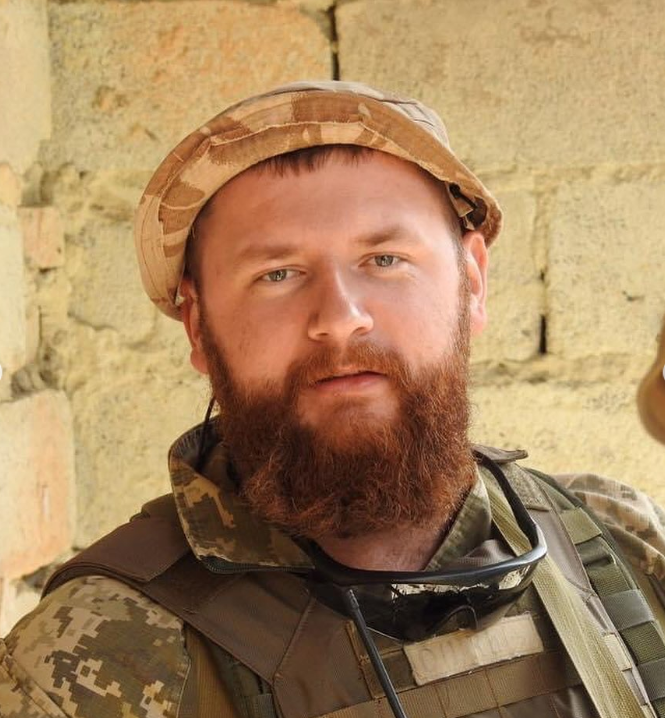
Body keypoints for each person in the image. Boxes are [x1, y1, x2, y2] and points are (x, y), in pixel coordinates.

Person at [2, 80, 665, 718]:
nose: (341, 317)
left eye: (384, 259)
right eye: (278, 273)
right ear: (199, 327)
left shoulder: (621, 543)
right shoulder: (93, 658)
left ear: (472, 282)